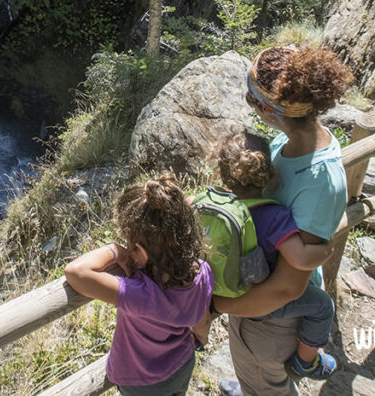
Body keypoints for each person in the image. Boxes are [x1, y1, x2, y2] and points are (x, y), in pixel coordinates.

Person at [212, 45, 354, 396]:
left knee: (268, 383)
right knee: (256, 378)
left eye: (251, 97)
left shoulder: (320, 181)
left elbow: (289, 288)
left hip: (269, 318)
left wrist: (218, 305)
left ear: (266, 108)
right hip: (259, 296)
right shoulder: (288, 143)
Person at [64, 174, 213, 395]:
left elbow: (76, 272)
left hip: (141, 381)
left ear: (141, 251)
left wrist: (114, 250)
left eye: (129, 245)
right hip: (182, 364)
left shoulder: (139, 294)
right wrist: (201, 337)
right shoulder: (201, 271)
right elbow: (201, 317)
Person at [206, 129, 338, 379]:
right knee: (323, 306)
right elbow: (299, 258)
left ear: (223, 175)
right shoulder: (274, 216)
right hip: (262, 303)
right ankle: (306, 362)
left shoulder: (219, 206)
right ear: (267, 174)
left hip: (228, 288)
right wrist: (325, 249)